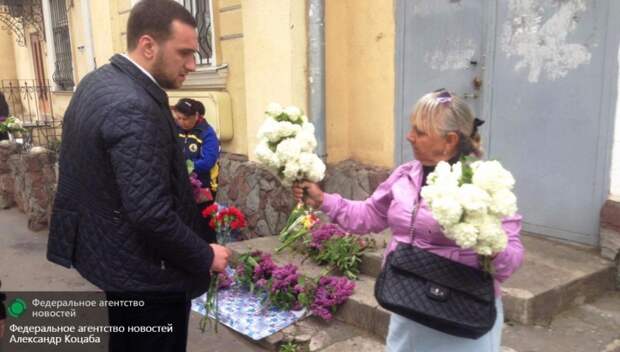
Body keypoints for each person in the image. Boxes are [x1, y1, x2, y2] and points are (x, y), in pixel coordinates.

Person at [47, 1, 231, 351]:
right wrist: (205, 255)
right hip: (148, 276)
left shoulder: (98, 81)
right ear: (148, 46)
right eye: (185, 53)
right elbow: (150, 213)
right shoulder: (134, 105)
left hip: (114, 261)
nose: (192, 65)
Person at [293, 89, 524, 352]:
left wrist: (492, 247)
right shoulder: (404, 176)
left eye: (420, 132)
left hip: (463, 313)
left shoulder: (484, 183)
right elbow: (369, 215)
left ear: (449, 140)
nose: (409, 136)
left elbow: (512, 257)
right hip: (410, 302)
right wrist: (323, 200)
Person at [173, 98, 220, 203]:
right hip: (179, 185)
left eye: (185, 119)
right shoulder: (174, 128)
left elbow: (208, 161)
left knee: (200, 217)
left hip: (203, 186)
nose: (181, 122)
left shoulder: (207, 133)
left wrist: (186, 166)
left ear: (196, 116)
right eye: (178, 118)